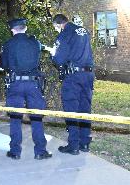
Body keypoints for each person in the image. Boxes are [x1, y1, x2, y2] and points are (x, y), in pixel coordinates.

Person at [1, 18, 52, 160]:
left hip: (15, 84)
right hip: (33, 84)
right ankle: (40, 151)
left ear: (12, 30)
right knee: (36, 117)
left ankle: (15, 151)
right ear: (25, 28)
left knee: (15, 118)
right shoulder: (35, 43)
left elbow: (4, 64)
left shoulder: (8, 44)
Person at [46, 14, 95, 155]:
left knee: (71, 108)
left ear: (59, 24)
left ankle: (73, 145)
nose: (56, 30)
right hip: (88, 74)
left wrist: (52, 54)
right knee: (85, 108)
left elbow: (59, 59)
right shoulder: (83, 30)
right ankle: (85, 143)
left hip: (73, 77)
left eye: (56, 27)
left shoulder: (64, 34)